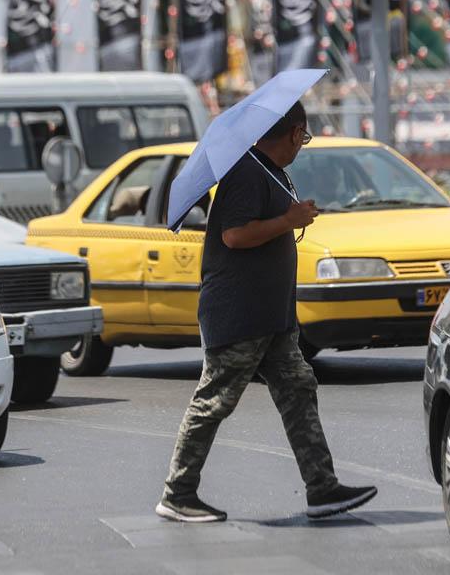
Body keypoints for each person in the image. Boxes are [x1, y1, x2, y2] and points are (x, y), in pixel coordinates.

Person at [156, 102, 378, 523]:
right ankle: (177, 494)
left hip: (271, 317)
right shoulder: (245, 173)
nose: (303, 145)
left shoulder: (270, 171)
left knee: (298, 389)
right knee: (214, 400)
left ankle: (322, 487)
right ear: (295, 133)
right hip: (239, 314)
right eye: (305, 137)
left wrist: (291, 217)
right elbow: (234, 235)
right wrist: (288, 220)